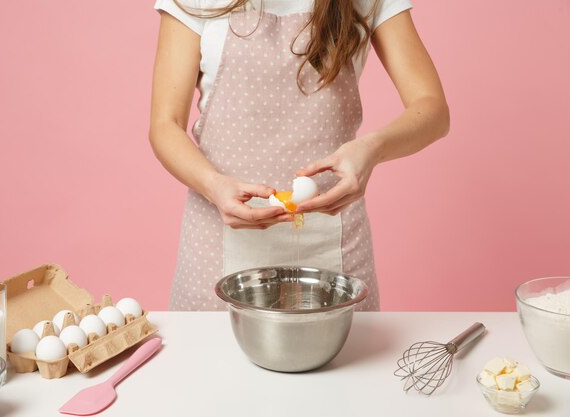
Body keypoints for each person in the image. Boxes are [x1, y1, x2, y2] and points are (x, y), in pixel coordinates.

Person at [148, 0, 449, 311]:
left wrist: (371, 149)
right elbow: (164, 125)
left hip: (336, 254)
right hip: (216, 245)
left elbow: (433, 108)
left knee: (347, 358)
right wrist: (213, 186)